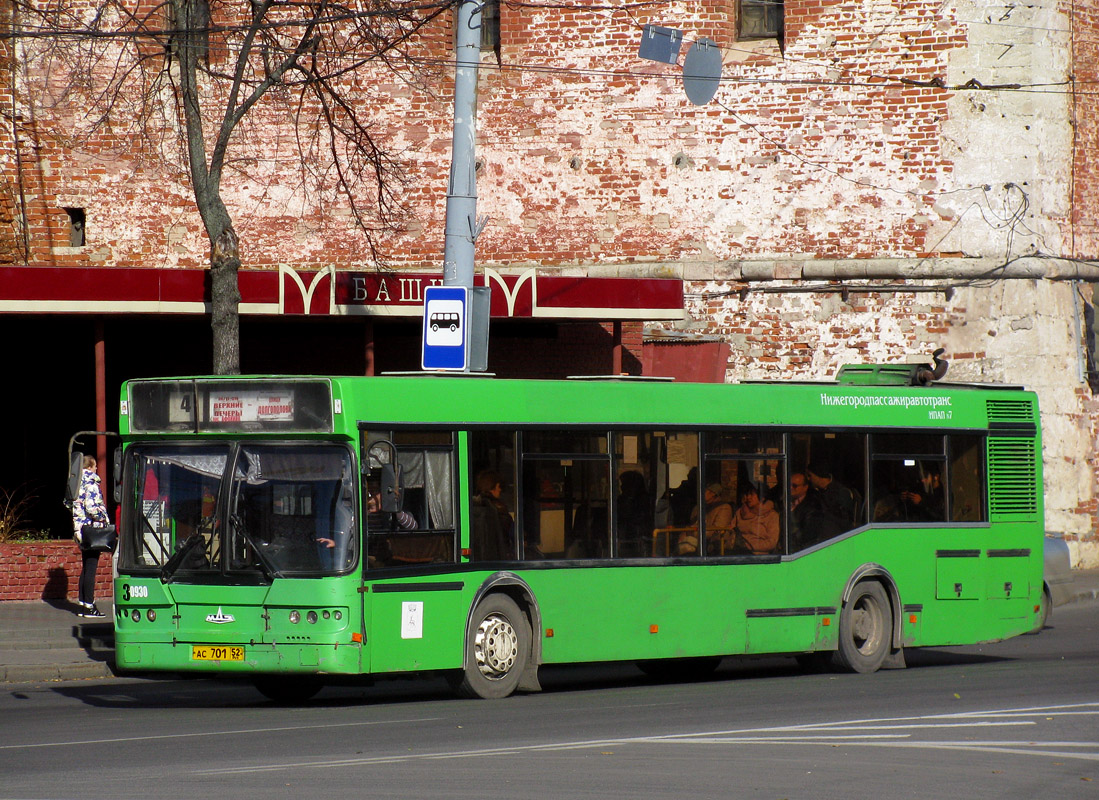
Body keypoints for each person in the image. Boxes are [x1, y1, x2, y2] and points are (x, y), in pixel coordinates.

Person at [71, 455, 109, 618]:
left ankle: (82, 605)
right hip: (92, 530)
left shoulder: (76, 482)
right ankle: (89, 606)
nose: (97, 469)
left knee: (86, 567)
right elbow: (92, 507)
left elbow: (70, 503)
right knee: (91, 568)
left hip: (80, 529)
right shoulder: (91, 482)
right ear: (90, 466)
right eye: (95, 466)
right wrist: (103, 518)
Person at [733, 485, 780, 554]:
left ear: (762, 497)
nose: (748, 497)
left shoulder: (772, 515)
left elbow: (772, 542)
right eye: (747, 494)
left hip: (759, 557)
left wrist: (748, 545)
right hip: (737, 552)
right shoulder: (740, 512)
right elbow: (730, 529)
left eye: (751, 495)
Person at [692, 483, 732, 554]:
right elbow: (692, 523)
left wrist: (692, 533)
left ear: (712, 494)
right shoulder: (698, 507)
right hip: (698, 540)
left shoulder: (724, 508)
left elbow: (718, 531)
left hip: (714, 546)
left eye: (704, 491)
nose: (701, 493)